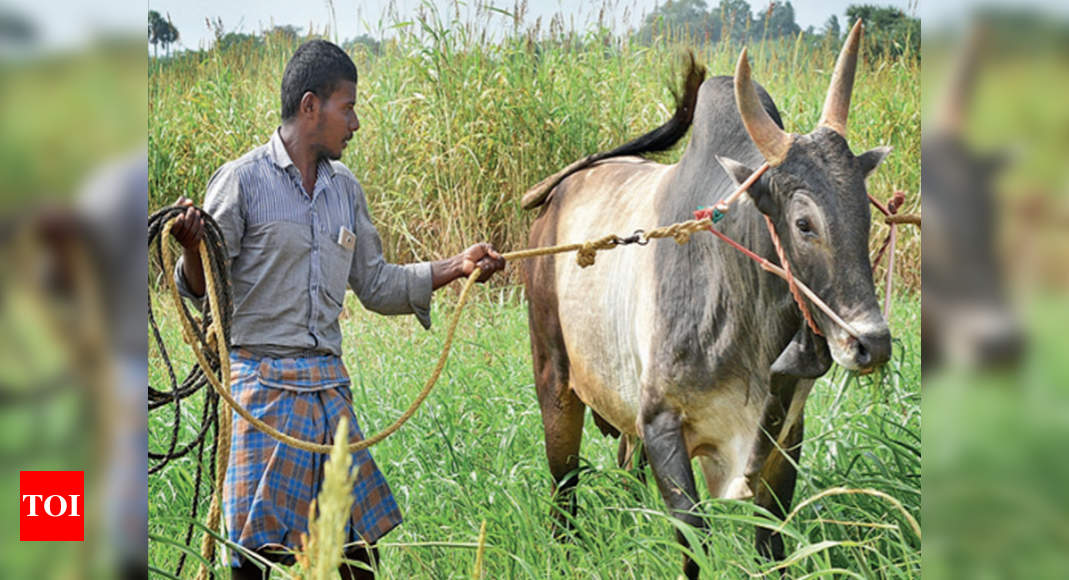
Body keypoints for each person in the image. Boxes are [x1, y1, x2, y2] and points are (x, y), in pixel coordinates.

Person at [169, 39, 505, 579]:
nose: (355, 122)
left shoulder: (344, 189)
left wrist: (456, 267)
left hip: (328, 392)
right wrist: (190, 246)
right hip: (261, 394)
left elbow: (375, 283)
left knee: (357, 558)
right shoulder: (242, 181)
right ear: (310, 107)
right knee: (253, 559)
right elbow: (198, 288)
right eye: (347, 107)